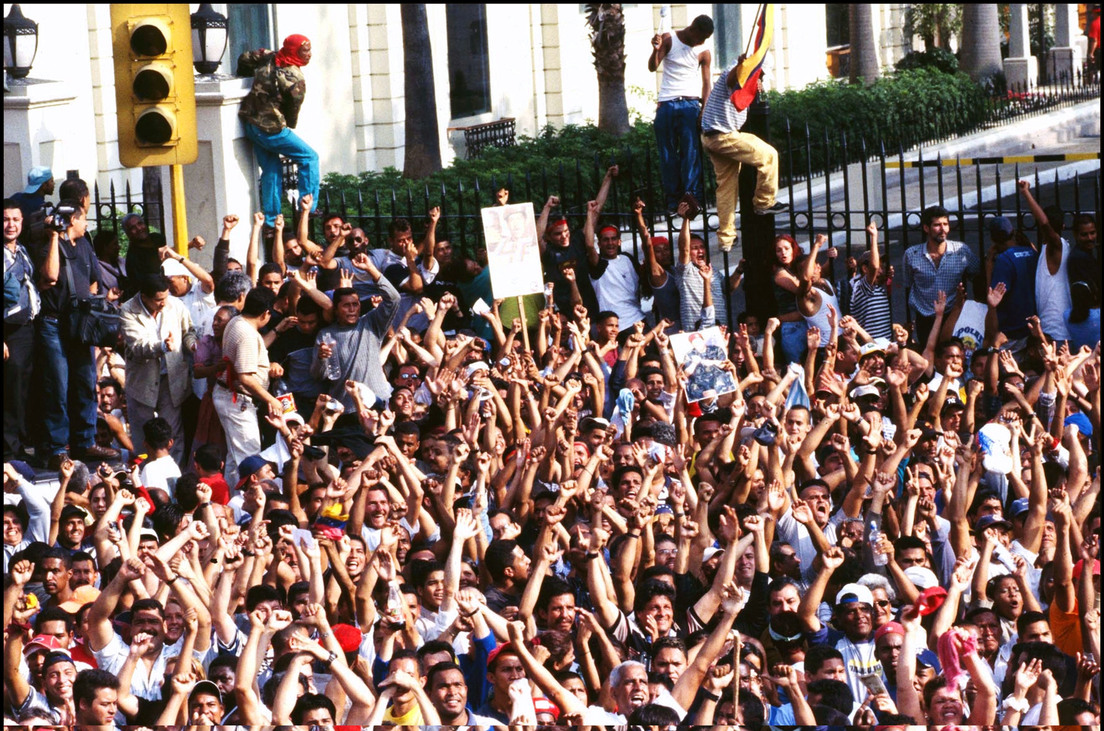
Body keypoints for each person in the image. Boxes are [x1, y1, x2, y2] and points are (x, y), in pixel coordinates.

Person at [33, 200, 118, 465]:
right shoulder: (48, 244)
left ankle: (85, 442)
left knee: (84, 382)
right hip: (53, 323)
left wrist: (88, 312)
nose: (86, 225)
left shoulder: (85, 246)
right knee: (57, 386)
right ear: (72, 221)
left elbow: (93, 281)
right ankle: (58, 446)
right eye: (83, 220)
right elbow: (50, 277)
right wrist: (55, 237)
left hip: (80, 324)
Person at [700, 54, 786, 257]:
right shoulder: (738, 74)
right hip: (723, 135)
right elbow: (732, 79)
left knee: (726, 187)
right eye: (762, 75)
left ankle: (726, 238)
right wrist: (741, 65)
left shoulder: (746, 80)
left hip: (712, 135)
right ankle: (764, 202)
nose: (762, 79)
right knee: (769, 155)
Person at [237, 34, 319, 228]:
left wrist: (244, 77)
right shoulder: (294, 77)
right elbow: (294, 106)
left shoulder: (269, 56)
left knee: (272, 169)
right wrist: (289, 123)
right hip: (271, 129)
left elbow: (244, 58)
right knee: (309, 158)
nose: (309, 54)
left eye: (308, 50)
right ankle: (308, 207)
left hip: (250, 124)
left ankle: (273, 222)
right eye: (304, 51)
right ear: (294, 51)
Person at [120, 274, 197, 465]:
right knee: (142, 435)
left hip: (172, 380)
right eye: (158, 300)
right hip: (142, 383)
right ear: (144, 297)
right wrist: (162, 346)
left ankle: (174, 477)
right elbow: (137, 346)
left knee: (172, 433)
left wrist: (193, 345)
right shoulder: (128, 310)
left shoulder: (175, 305)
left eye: (166, 297)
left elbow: (189, 332)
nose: (163, 303)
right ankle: (146, 477)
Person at [213, 286, 283, 485]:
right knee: (249, 457)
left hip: (230, 395)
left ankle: (231, 506)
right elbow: (245, 377)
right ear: (266, 313)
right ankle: (246, 510)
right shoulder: (246, 333)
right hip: (236, 398)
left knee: (235, 461)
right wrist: (271, 400)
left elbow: (249, 356)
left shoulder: (237, 321)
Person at [648, 15, 713, 215]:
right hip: (667, 103)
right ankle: (672, 202)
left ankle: (691, 198)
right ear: (693, 29)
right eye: (701, 38)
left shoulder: (703, 51)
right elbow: (652, 67)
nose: (702, 43)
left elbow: (706, 83)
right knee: (667, 155)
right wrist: (656, 50)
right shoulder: (669, 39)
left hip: (690, 103)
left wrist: (704, 110)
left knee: (691, 153)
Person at [900, 204, 980, 346]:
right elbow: (908, 283)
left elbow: (978, 275)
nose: (943, 229)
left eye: (946, 224)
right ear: (926, 228)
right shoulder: (912, 255)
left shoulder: (961, 251)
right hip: (925, 318)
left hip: (952, 316)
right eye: (937, 225)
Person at [4, 199, 40, 460]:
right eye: (5, 219)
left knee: (24, 388)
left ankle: (20, 444)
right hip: (8, 331)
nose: (10, 225)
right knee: (11, 390)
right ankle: (9, 450)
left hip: (27, 329)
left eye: (15, 219)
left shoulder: (23, 251)